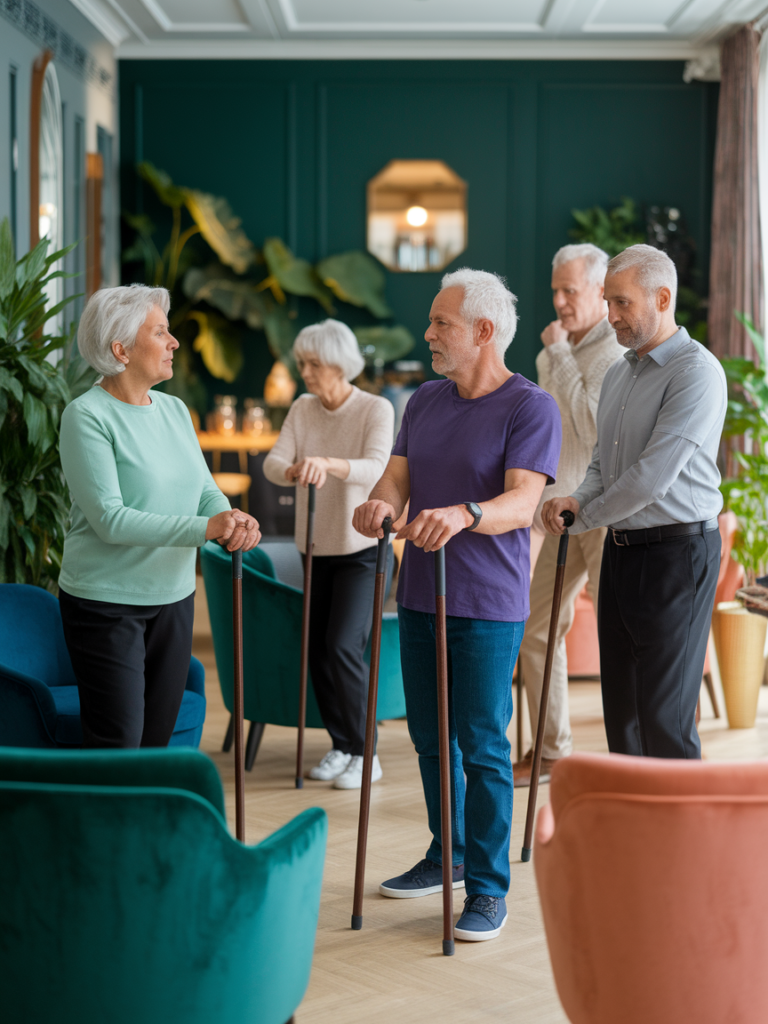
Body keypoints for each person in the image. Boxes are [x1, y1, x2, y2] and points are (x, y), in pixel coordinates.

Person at [353, 269, 561, 941]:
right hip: (418, 592)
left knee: (481, 744)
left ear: (482, 330)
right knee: (427, 736)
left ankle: (490, 887)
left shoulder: (531, 406)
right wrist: (380, 504)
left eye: (440, 323)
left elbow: (523, 501)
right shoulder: (424, 402)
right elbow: (396, 478)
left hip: (487, 602)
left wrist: (467, 514)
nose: (429, 333)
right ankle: (450, 855)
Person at [542, 244, 727, 759]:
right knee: (621, 712)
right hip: (621, 549)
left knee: (664, 719)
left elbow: (649, 480)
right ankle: (634, 833)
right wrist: (576, 500)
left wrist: (582, 520)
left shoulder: (697, 372)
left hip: (678, 556)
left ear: (662, 297)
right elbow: (604, 463)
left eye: (621, 303)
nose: (610, 315)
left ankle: (682, 838)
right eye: (607, 301)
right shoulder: (620, 372)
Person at [58, 285, 261, 749]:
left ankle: (148, 824)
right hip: (105, 604)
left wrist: (229, 518)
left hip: (173, 597)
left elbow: (204, 488)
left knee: (156, 741)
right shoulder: (86, 416)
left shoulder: (173, 409)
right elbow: (110, 519)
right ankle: (106, 824)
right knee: (118, 742)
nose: (174, 343)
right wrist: (204, 529)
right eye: (162, 332)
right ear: (120, 349)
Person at [263, 320, 395, 790]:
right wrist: (297, 466)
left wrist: (329, 464)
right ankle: (343, 745)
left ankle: (368, 751)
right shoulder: (302, 408)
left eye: (313, 364)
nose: (305, 372)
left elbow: (377, 467)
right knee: (317, 651)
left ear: (339, 364)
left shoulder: (375, 408)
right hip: (315, 550)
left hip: (363, 551)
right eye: (302, 363)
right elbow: (273, 464)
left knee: (341, 646)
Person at [514, 243, 623, 787]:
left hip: (602, 512)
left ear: (600, 293)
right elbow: (548, 435)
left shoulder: (616, 353)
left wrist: (557, 357)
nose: (558, 300)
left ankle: (633, 759)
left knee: (618, 634)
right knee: (535, 630)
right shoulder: (551, 351)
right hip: (556, 512)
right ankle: (551, 751)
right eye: (555, 289)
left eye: (569, 290)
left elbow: (593, 431)